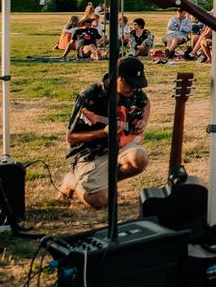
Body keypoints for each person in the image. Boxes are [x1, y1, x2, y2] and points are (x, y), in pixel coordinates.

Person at [58, 57, 151, 209]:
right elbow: (71, 138)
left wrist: (143, 121)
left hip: (118, 147)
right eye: (129, 85)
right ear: (116, 77)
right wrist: (103, 132)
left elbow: (146, 103)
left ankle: (105, 183)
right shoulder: (89, 95)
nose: (134, 90)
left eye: (136, 86)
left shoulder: (132, 92)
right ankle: (72, 181)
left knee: (140, 158)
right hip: (89, 152)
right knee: (102, 202)